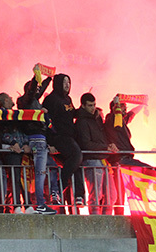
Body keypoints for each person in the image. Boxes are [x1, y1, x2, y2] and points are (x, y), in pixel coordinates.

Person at [16, 71, 56, 214]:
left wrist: (49, 78)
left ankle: (52, 195)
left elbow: (39, 90)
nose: (38, 91)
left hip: (40, 139)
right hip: (37, 139)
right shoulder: (25, 100)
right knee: (40, 173)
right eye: (35, 89)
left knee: (51, 167)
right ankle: (40, 204)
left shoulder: (34, 102)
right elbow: (33, 90)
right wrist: (35, 78)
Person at [42, 73, 85, 206]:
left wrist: (84, 110)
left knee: (77, 163)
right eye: (64, 82)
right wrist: (49, 141)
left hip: (70, 136)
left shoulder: (68, 99)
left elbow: (71, 114)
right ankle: (61, 185)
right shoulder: (51, 99)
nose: (67, 85)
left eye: (69, 82)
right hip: (59, 136)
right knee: (77, 155)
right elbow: (46, 121)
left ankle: (79, 196)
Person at [75, 92, 115, 215]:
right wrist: (106, 147)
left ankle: (107, 219)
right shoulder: (81, 122)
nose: (93, 108)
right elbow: (86, 144)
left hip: (103, 160)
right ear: (83, 106)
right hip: (91, 160)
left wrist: (108, 146)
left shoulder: (96, 120)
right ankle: (95, 219)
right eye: (90, 105)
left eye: (94, 105)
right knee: (96, 194)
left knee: (111, 194)